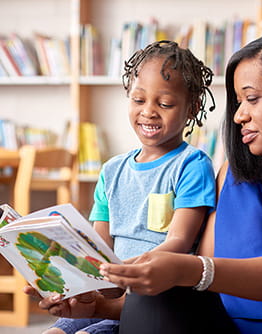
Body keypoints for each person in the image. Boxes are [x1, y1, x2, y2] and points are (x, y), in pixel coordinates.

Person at [28, 31, 262, 334]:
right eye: (238, 103)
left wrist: (184, 268)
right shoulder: (232, 178)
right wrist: (94, 307)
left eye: (251, 99)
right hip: (221, 326)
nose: (238, 115)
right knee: (156, 299)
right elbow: (199, 289)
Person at [43, 40, 218, 334]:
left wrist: (126, 272)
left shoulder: (192, 164)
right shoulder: (112, 170)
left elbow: (180, 242)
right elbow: (98, 244)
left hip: (154, 298)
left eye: (164, 104)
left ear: (192, 109)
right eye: (139, 100)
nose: (148, 111)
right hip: (107, 288)